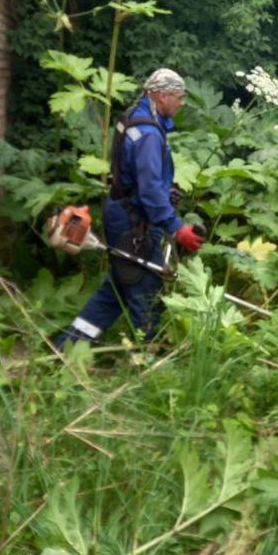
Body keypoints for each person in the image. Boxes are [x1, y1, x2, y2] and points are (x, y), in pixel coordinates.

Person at [57, 68, 204, 348]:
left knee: (118, 287)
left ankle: (67, 346)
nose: (182, 103)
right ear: (161, 96)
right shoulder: (148, 133)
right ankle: (145, 360)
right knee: (146, 292)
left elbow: (140, 177)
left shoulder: (135, 117)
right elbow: (148, 191)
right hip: (134, 222)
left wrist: (167, 189)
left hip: (123, 213)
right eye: (179, 97)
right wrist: (176, 228)